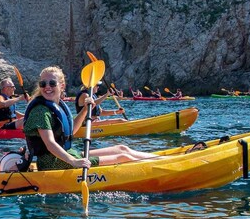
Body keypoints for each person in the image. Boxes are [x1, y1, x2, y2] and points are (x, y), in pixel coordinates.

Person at [23, 67, 160, 171]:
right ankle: (164, 166)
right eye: (43, 84)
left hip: (65, 155)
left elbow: (72, 131)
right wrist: (74, 161)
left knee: (122, 148)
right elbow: (50, 144)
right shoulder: (40, 111)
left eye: (52, 83)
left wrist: (85, 110)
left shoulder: (57, 106)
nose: (47, 87)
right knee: (123, 158)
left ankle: (164, 160)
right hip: (52, 163)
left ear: (61, 86)